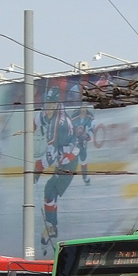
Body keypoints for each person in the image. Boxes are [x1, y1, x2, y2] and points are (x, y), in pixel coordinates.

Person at [35, 85, 76, 254]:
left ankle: (51, 227)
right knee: (51, 191)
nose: (48, 107)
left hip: (68, 162)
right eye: (47, 103)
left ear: (57, 103)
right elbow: (37, 120)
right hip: (62, 160)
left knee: (50, 190)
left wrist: (38, 168)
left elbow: (51, 155)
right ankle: (52, 226)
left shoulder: (58, 124)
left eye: (51, 103)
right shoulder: (53, 112)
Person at [70, 104, 95, 184]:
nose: (83, 109)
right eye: (82, 107)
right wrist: (72, 140)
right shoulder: (74, 116)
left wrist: (87, 138)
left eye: (85, 106)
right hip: (74, 140)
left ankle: (85, 176)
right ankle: (64, 176)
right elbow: (70, 129)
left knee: (83, 156)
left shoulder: (90, 116)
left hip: (83, 140)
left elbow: (92, 129)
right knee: (70, 158)